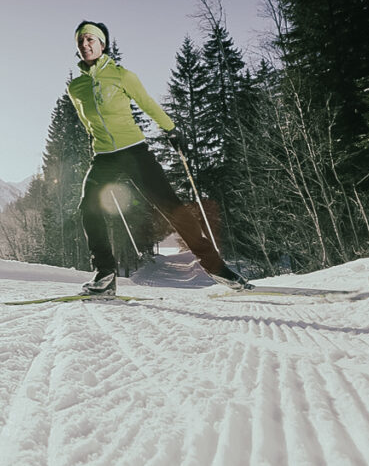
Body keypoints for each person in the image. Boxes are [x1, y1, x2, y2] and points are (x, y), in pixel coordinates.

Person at [67, 20, 250, 295]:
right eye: (81, 41)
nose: (85, 45)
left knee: (171, 207)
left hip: (134, 151)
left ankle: (216, 268)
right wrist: (94, 147)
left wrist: (171, 129)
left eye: (91, 39)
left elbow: (147, 103)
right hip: (104, 157)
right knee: (87, 207)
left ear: (102, 45)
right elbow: (86, 123)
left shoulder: (122, 76)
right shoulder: (76, 88)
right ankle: (104, 274)